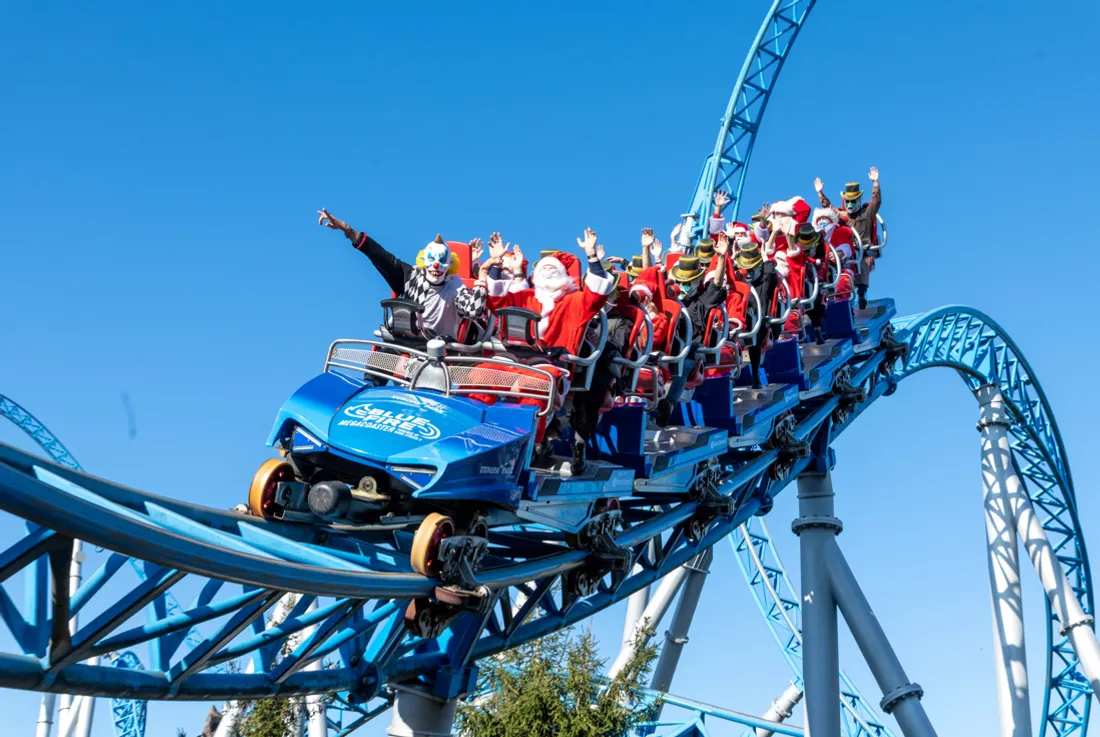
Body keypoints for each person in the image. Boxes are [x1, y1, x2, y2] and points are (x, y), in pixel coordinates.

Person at [484, 229, 616, 471]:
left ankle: (527, 448)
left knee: (533, 388)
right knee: (480, 374)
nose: (547, 272)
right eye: (544, 269)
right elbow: (496, 301)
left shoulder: (575, 302)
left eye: (552, 269)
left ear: (563, 276)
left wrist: (591, 256)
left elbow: (598, 293)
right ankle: (473, 437)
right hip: (514, 359)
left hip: (550, 365)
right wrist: (495, 263)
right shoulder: (525, 296)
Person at [317, 208, 488, 340]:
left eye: (442, 260)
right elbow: (379, 255)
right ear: (424, 260)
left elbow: (474, 310)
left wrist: (482, 276)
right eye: (432, 259)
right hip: (406, 343)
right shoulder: (411, 277)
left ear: (450, 264)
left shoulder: (454, 286)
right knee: (380, 358)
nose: (436, 264)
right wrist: (347, 229)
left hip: (440, 352)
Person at [657, 236, 729, 424]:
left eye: (687, 283)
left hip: (693, 351)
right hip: (671, 349)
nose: (683, 287)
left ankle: (669, 405)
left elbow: (717, 285)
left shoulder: (702, 301)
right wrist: (651, 253)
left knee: (683, 366)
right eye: (680, 282)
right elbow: (651, 287)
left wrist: (722, 257)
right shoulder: (670, 301)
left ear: (697, 282)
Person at [814, 167, 881, 309]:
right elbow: (828, 208)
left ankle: (862, 293)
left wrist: (875, 183)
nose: (850, 205)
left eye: (853, 202)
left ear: (859, 200)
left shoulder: (866, 213)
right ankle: (833, 296)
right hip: (844, 250)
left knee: (862, 262)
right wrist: (820, 193)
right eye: (847, 202)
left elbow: (876, 203)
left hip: (862, 250)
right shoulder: (842, 215)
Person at [735, 237, 780, 389]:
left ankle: (755, 376)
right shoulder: (740, 281)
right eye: (745, 268)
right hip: (741, 318)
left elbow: (770, 272)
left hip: (760, 319)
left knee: (754, 336)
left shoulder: (765, 279)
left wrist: (765, 256)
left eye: (751, 268)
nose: (748, 272)